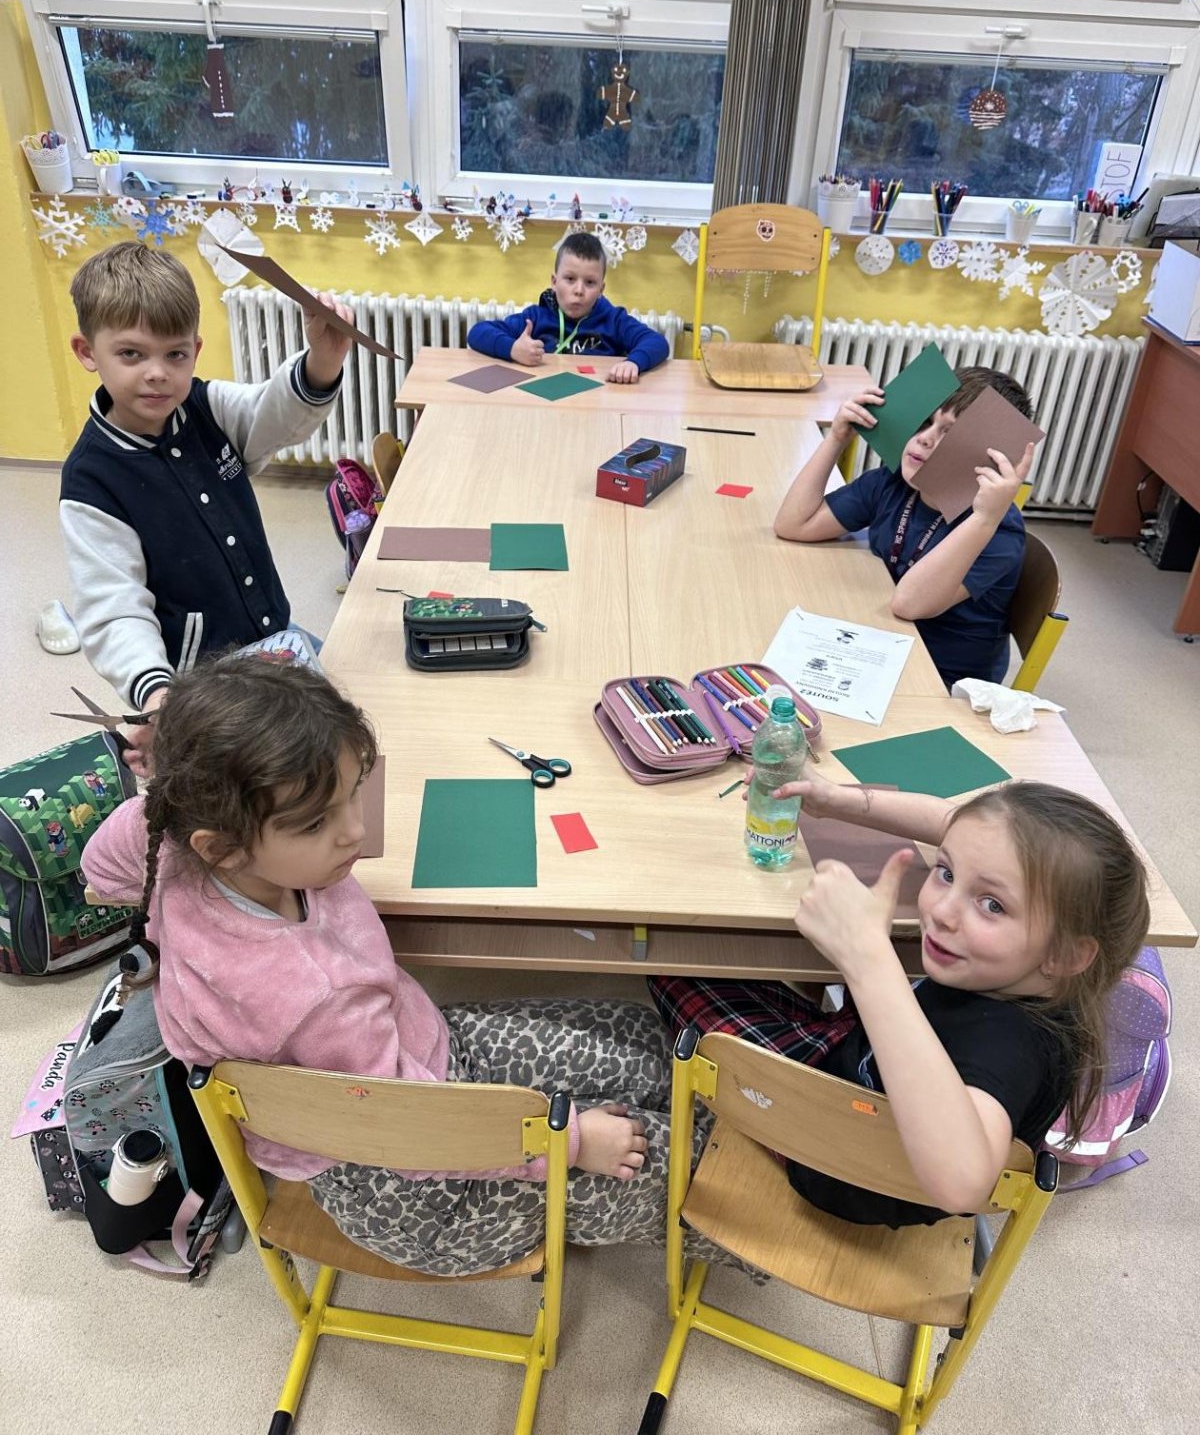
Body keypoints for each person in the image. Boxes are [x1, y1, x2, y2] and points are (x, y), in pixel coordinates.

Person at [80, 655, 737, 1278]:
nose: (354, 831)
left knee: (639, 1039)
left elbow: (99, 868)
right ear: (220, 846)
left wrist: (179, 769)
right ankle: (759, 1208)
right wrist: (572, 1146)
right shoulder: (319, 997)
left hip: (415, 1064)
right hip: (418, 1194)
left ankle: (720, 1130)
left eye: (352, 795)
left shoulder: (168, 841)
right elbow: (416, 1132)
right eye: (315, 823)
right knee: (688, 1169)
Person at [651, 770, 1150, 1227]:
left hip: (834, 1157)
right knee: (707, 960)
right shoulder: (1037, 978)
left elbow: (963, 1182)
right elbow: (955, 825)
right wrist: (836, 799)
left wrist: (869, 961)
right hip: (859, 1062)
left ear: (1067, 954)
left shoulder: (1010, 1047)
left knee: (673, 965)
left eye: (992, 905)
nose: (943, 911)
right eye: (947, 872)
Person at [59, 242, 354, 771]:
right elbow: (114, 609)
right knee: (252, 785)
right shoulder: (91, 480)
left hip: (273, 641)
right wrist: (158, 697)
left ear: (195, 350)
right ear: (87, 352)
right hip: (196, 684)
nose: (157, 373)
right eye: (131, 354)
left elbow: (272, 413)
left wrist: (323, 361)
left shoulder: (206, 406)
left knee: (338, 735)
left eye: (174, 354)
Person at [773, 366, 1037, 689]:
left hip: (941, 681)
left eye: (948, 433)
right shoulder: (893, 482)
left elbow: (908, 604)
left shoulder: (998, 530)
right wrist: (837, 438)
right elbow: (793, 524)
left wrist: (984, 519)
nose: (925, 438)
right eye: (926, 422)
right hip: (882, 639)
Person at [466, 230, 669, 383]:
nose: (579, 290)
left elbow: (657, 342)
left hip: (595, 405)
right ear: (554, 282)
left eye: (590, 283)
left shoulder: (614, 320)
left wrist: (633, 362)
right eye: (570, 279)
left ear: (601, 289)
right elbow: (477, 332)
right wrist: (512, 349)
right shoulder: (536, 317)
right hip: (545, 401)